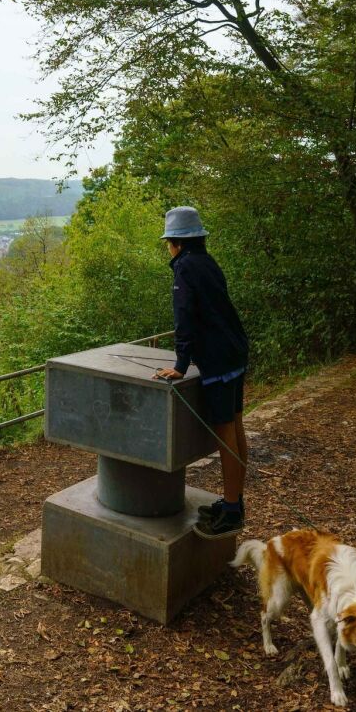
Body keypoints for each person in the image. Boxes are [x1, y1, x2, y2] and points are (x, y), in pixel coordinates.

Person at [152, 206, 250, 538]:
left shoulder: (184, 269)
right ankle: (233, 500)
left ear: (176, 242)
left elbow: (185, 318)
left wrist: (180, 366)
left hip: (218, 359)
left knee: (225, 433)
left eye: (168, 241)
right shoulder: (208, 263)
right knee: (236, 425)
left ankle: (233, 510)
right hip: (236, 349)